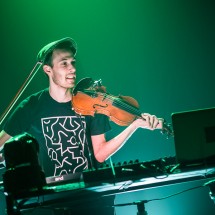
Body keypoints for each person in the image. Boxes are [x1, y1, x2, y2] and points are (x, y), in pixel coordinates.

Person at [0, 37, 163, 215]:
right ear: (48, 69)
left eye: (73, 62)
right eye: (64, 64)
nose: (72, 69)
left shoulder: (93, 102)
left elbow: (100, 153)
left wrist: (134, 125)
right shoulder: (31, 106)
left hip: (93, 196)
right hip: (52, 201)